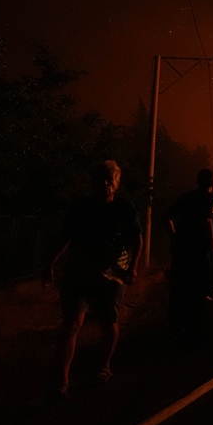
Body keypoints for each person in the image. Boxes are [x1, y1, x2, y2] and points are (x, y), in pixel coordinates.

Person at [45, 160, 142, 397]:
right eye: (101, 180)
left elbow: (136, 238)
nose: (106, 184)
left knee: (108, 321)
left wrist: (133, 267)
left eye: (110, 180)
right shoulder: (81, 207)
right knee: (71, 324)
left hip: (111, 274)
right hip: (79, 271)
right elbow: (65, 236)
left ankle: (104, 366)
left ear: (117, 184)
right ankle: (62, 379)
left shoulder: (124, 208)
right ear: (93, 183)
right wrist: (50, 264)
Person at [165, 168, 213, 338]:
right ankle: (192, 328)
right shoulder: (210, 199)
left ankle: (175, 326)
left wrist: (174, 238)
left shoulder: (185, 197)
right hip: (199, 250)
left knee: (180, 287)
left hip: (182, 250)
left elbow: (167, 216)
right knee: (199, 287)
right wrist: (212, 240)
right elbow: (208, 219)